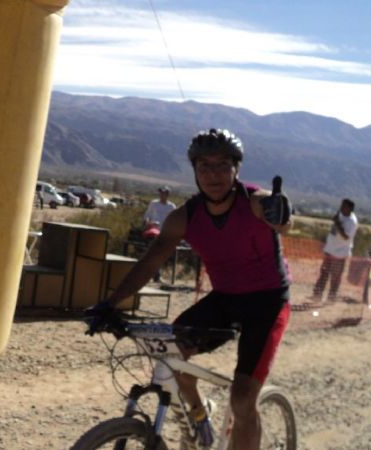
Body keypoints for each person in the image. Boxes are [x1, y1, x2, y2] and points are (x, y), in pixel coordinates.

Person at [90, 129, 292, 450]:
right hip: (225, 299)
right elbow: (149, 262)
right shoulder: (184, 218)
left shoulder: (253, 203)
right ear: (195, 172)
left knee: (241, 400)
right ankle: (200, 417)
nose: (213, 175)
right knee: (172, 354)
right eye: (204, 167)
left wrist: (280, 212)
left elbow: (275, 212)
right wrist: (109, 304)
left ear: (236, 169)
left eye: (222, 165)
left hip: (267, 302)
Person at [312, 199, 357, 301]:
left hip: (340, 253)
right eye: (341, 205)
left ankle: (331, 298)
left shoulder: (352, 221)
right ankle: (317, 295)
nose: (341, 207)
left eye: (343, 206)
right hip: (330, 250)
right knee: (324, 273)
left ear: (350, 209)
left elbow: (346, 237)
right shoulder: (340, 215)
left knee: (335, 277)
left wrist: (337, 223)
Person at [141, 186, 177, 281]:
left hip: (165, 233)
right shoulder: (154, 203)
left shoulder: (171, 207)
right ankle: (155, 275)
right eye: (161, 193)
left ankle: (155, 274)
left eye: (164, 193)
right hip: (153, 232)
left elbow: (175, 220)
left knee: (159, 254)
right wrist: (149, 223)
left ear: (167, 195)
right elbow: (146, 216)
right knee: (155, 251)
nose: (162, 195)